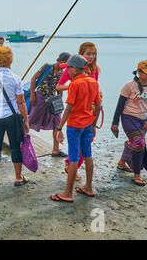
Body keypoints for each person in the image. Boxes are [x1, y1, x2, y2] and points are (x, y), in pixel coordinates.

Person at [50, 55, 101, 203]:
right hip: (88, 124)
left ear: (75, 68)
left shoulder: (74, 84)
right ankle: (88, 187)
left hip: (75, 125)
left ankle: (68, 193)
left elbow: (69, 108)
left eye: (68, 68)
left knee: (73, 158)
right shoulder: (93, 82)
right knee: (87, 155)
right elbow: (97, 105)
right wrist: (94, 123)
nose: (67, 72)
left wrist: (59, 128)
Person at [0, 46, 30, 186]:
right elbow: (21, 102)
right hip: (12, 117)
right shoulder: (15, 78)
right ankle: (18, 178)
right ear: (10, 61)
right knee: (15, 147)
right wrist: (26, 120)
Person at [56, 42, 101, 181]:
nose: (91, 57)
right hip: (76, 112)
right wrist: (72, 88)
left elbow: (95, 89)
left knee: (86, 145)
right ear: (81, 53)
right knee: (78, 148)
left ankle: (71, 165)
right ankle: (72, 167)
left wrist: (97, 93)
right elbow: (59, 86)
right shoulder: (71, 69)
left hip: (90, 110)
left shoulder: (95, 70)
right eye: (88, 54)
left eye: (93, 54)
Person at [111, 60, 147, 186]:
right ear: (139, 72)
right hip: (128, 117)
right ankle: (137, 174)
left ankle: (122, 162)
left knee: (135, 141)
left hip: (143, 121)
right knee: (139, 143)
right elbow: (120, 105)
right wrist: (115, 123)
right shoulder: (129, 85)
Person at [28, 52, 71, 157]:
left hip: (53, 100)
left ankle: (55, 150)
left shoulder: (63, 72)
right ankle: (21, 142)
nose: (66, 66)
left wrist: (60, 99)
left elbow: (60, 86)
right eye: (65, 63)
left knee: (57, 124)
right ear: (60, 60)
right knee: (30, 120)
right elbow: (34, 79)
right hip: (40, 97)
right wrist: (33, 95)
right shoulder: (47, 67)